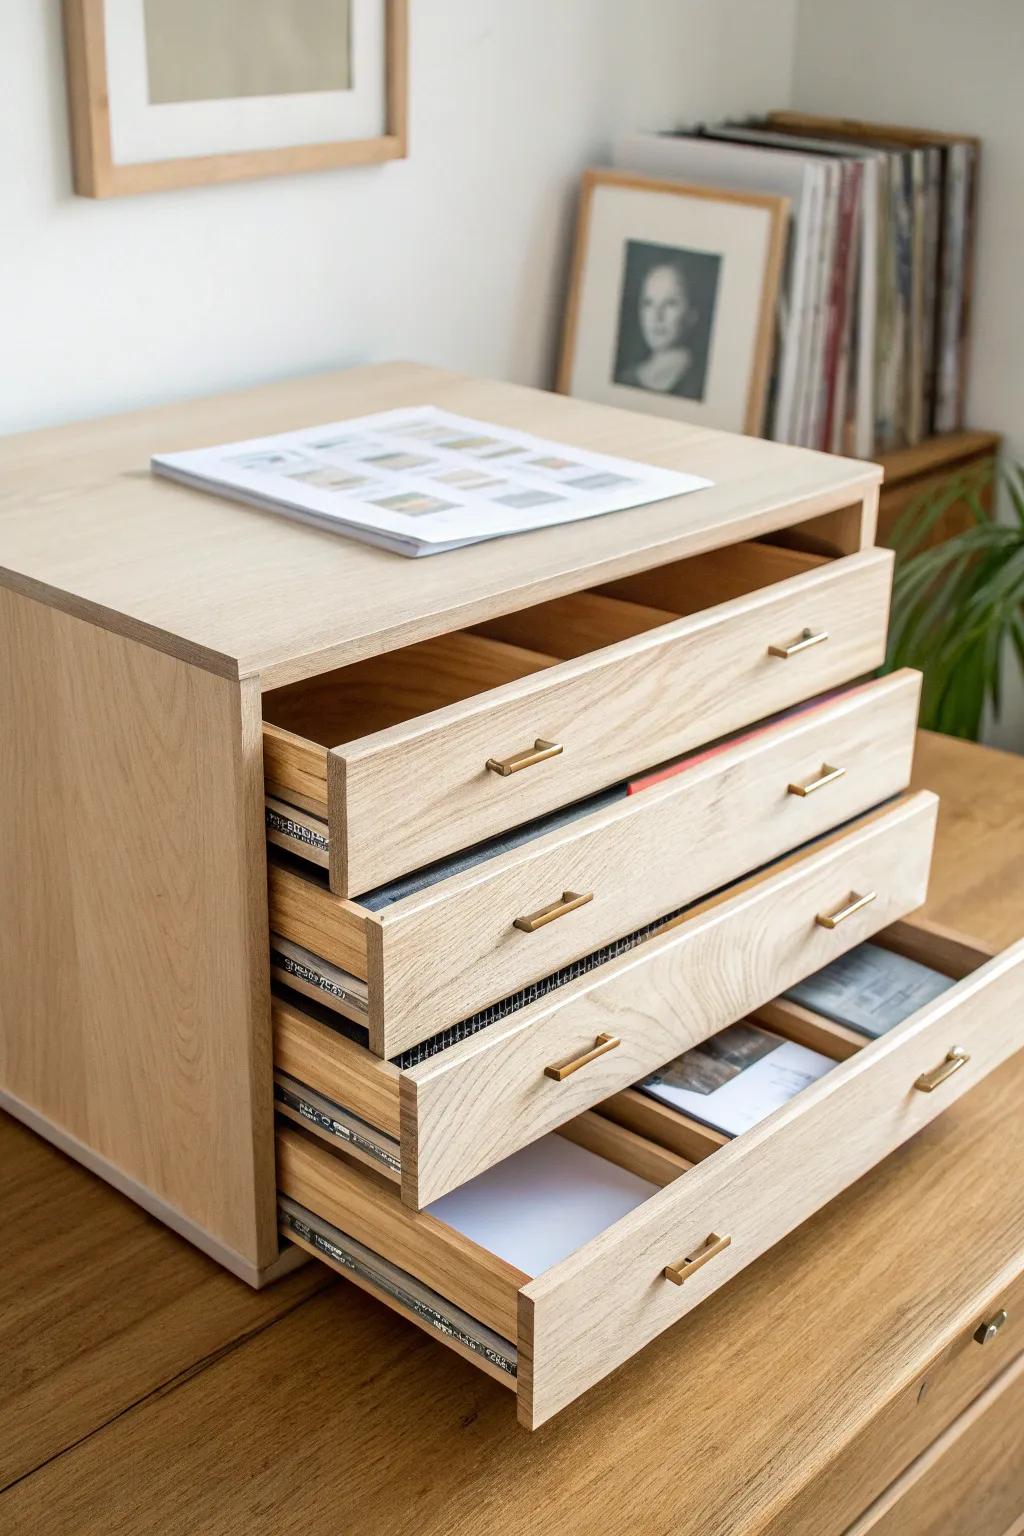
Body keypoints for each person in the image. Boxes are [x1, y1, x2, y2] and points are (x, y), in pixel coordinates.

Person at [622, 258, 701, 397]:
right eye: (648, 303)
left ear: (692, 314)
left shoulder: (699, 384)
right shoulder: (626, 378)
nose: (657, 316)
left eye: (670, 303)